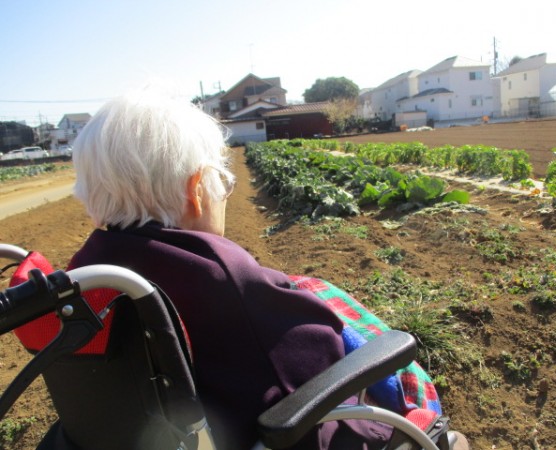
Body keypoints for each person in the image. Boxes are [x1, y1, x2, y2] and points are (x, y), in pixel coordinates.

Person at [67, 86, 443, 449]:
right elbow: (317, 353)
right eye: (221, 182)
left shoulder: (85, 276)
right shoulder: (222, 279)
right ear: (197, 191)